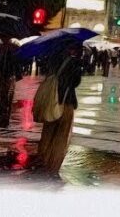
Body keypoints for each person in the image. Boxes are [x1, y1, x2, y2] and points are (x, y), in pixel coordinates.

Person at [37, 43, 84, 177]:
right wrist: (79, 64)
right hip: (66, 102)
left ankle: (43, 161)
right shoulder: (74, 63)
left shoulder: (52, 60)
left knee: (47, 133)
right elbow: (75, 82)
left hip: (51, 102)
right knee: (61, 137)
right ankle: (53, 167)